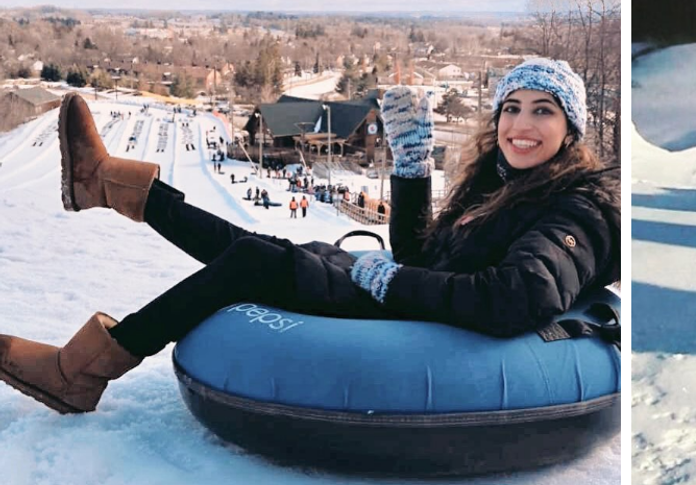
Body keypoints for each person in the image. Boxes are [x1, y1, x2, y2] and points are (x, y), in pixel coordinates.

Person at [0, 58, 619, 415]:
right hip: (420, 304)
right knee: (256, 249)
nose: (521, 124)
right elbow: (421, 255)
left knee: (252, 260)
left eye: (544, 110)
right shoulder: (501, 182)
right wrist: (410, 170)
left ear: (572, 128)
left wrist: (394, 282)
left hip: (433, 331)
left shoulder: (576, 205)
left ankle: (80, 372)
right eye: (512, 107)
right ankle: (112, 186)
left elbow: (521, 297)